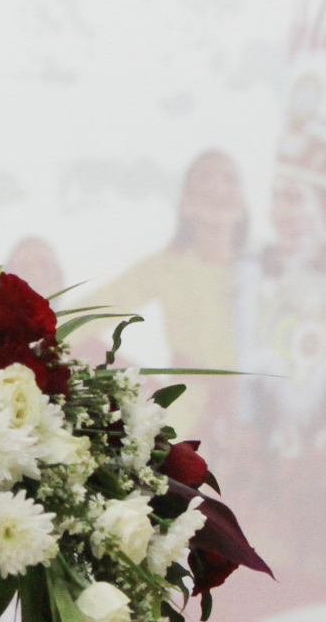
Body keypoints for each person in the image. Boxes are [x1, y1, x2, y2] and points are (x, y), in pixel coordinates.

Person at [86, 151, 246, 433]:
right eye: (204, 178)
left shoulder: (265, 268)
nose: (217, 188)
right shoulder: (166, 267)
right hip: (186, 418)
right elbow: (90, 313)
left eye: (229, 179)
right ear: (186, 203)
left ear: (243, 204)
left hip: (256, 420)